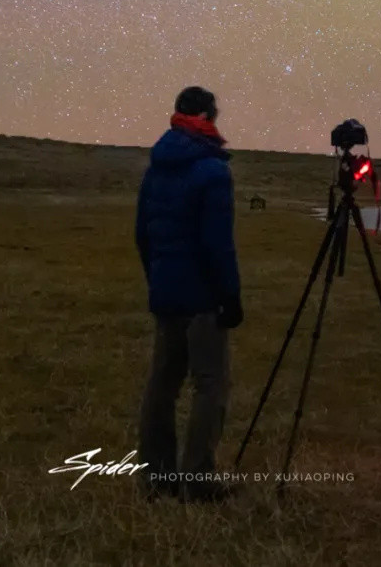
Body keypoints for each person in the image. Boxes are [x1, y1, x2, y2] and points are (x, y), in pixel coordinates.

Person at [135, 86, 243, 502]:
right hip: (201, 299)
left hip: (166, 293)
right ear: (208, 118)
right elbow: (218, 244)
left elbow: (142, 235)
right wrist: (229, 296)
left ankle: (156, 477)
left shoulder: (156, 167)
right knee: (209, 385)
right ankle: (197, 481)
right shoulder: (212, 170)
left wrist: (157, 278)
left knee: (163, 383)